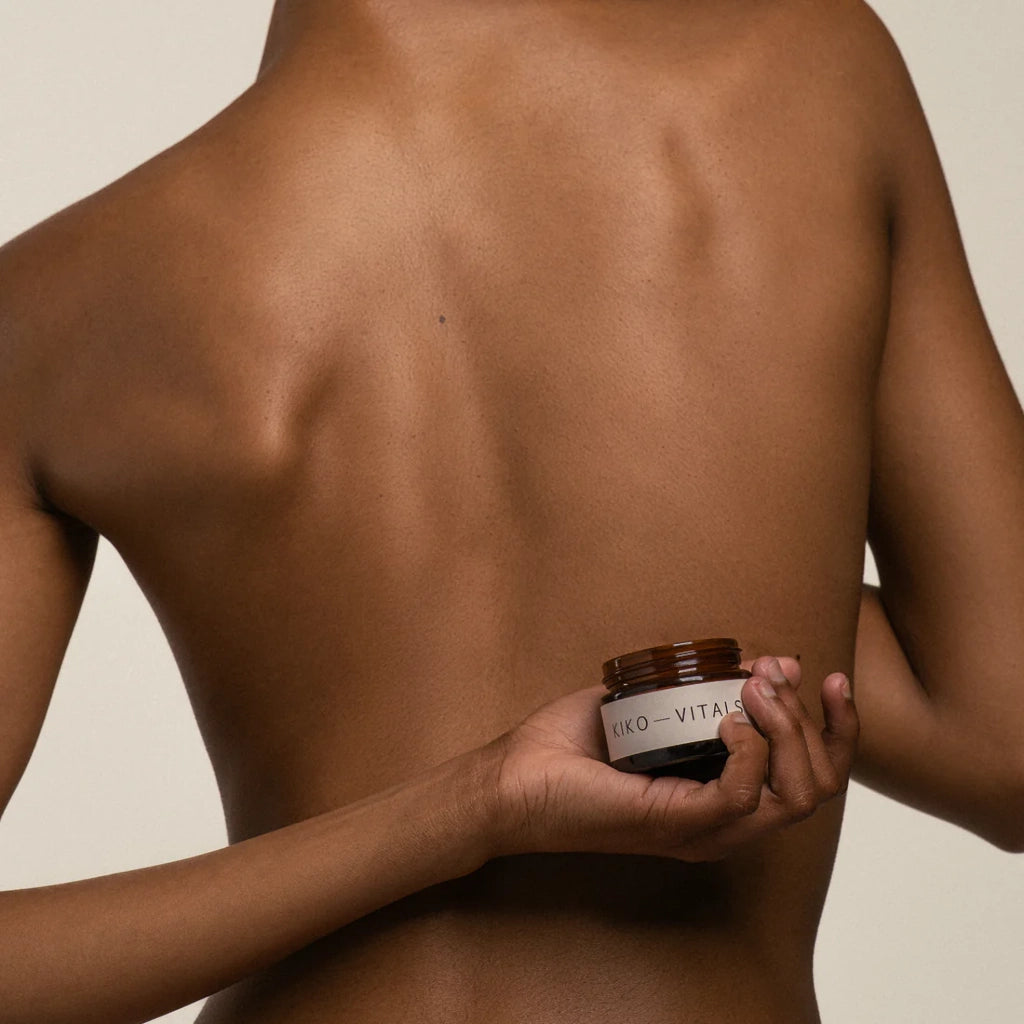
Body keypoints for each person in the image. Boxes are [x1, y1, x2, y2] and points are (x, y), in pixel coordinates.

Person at [0, 0, 1020, 1021]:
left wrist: (455, 812)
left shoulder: (54, 301)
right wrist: (486, 798)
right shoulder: (812, 75)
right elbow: (1003, 754)